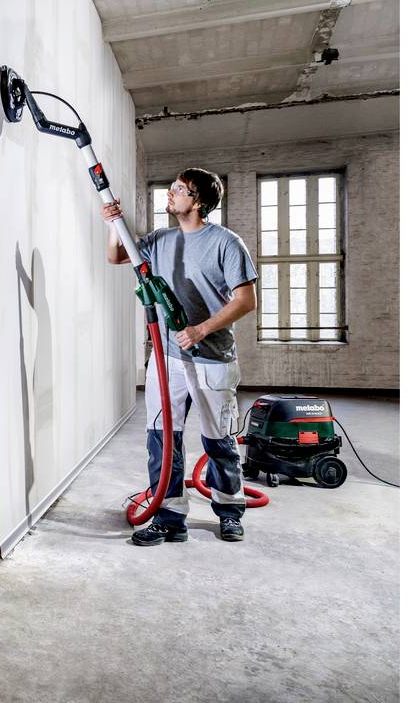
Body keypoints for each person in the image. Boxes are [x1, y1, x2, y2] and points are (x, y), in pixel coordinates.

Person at [103, 168, 257, 545]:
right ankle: (171, 517)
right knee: (162, 436)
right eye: (171, 187)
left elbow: (246, 301)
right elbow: (117, 256)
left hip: (212, 359)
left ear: (199, 201)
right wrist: (112, 223)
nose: (170, 193)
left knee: (217, 438)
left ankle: (229, 511)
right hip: (167, 357)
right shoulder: (161, 240)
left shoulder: (226, 243)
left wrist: (201, 329)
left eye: (180, 189)